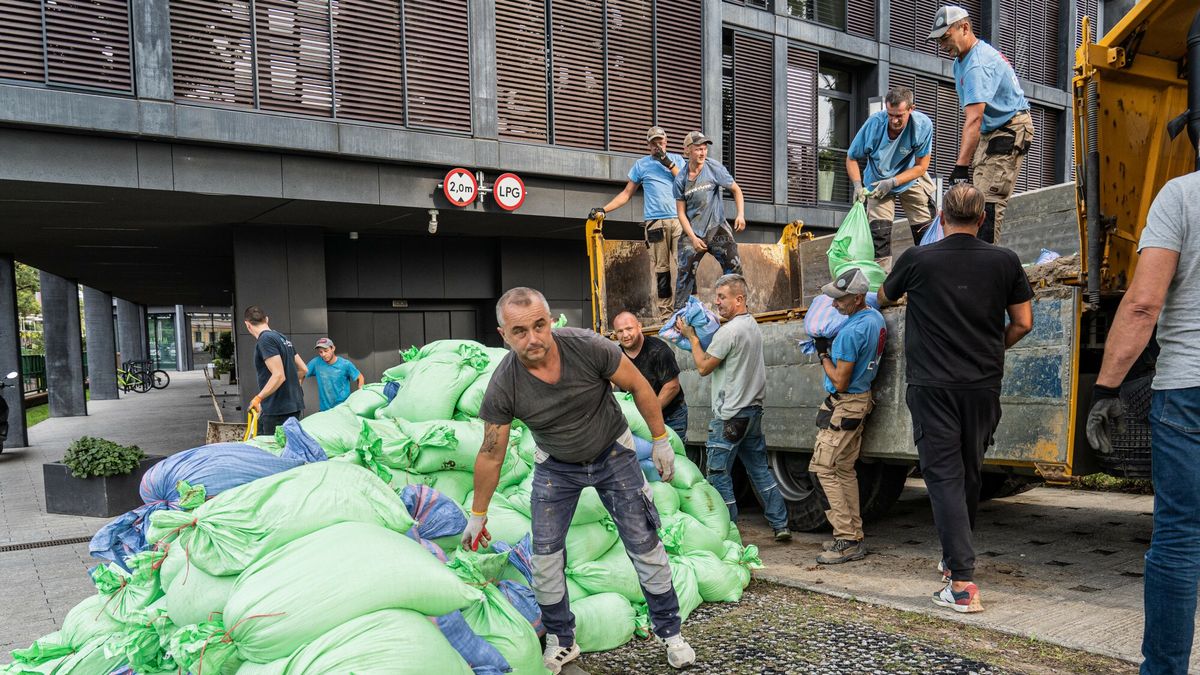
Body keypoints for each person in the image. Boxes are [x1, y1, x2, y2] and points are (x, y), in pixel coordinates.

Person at [463, 287, 696, 673]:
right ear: (503, 335)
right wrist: (478, 513)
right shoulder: (505, 383)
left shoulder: (587, 347)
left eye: (540, 325)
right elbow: (491, 452)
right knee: (546, 557)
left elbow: (639, 386)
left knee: (644, 543)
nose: (533, 338)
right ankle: (562, 640)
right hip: (557, 465)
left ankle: (671, 632)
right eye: (520, 331)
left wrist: (659, 441)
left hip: (613, 452)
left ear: (551, 321)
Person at [877, 183, 1032, 613]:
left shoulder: (918, 259)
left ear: (941, 219)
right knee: (968, 472)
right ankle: (952, 562)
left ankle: (962, 583)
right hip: (983, 386)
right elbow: (1023, 322)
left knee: (943, 476)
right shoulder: (1005, 261)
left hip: (933, 386)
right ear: (982, 220)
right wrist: (992, 348)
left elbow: (884, 296)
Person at [1085, 171, 1200, 675]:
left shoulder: (1182, 195)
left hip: (1188, 390)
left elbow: (1142, 304)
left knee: (1180, 539)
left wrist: (1107, 389)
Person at [675, 274, 791, 542]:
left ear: (739, 299)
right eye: (717, 297)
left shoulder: (728, 332)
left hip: (730, 417)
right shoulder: (751, 325)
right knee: (760, 469)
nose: (717, 303)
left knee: (717, 474)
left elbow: (704, 367)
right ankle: (780, 524)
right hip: (753, 412)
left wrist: (691, 337)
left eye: (722, 297)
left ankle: (728, 532)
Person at [930, 4, 1034, 244]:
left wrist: (960, 166)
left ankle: (986, 263)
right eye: (938, 41)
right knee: (974, 196)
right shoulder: (962, 60)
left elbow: (974, 119)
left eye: (945, 38)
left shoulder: (978, 64)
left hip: (1009, 127)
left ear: (964, 28)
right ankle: (971, 256)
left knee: (987, 200)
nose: (942, 45)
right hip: (992, 129)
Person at [810, 268, 887, 565]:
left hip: (845, 403)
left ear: (857, 298)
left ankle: (846, 540)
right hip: (860, 402)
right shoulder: (874, 319)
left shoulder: (850, 332)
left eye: (840, 300)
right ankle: (853, 533)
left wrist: (823, 356)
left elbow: (840, 381)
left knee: (825, 467)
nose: (833, 305)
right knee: (844, 469)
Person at [591, 127, 686, 322]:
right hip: (655, 222)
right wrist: (604, 209)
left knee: (685, 265)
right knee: (662, 270)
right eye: (653, 143)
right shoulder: (641, 165)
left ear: (666, 142)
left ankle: (688, 309)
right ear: (648, 145)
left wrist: (666, 161)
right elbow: (626, 194)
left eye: (660, 141)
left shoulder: (677, 160)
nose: (657, 145)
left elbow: (686, 183)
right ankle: (666, 316)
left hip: (679, 220)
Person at [846, 86, 937, 257]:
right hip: (877, 181)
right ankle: (881, 281)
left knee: (927, 235)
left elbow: (921, 166)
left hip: (910, 176)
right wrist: (858, 185)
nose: (894, 121)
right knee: (879, 238)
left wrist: (893, 182)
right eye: (890, 115)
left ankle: (928, 274)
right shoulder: (874, 124)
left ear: (911, 109)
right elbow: (851, 157)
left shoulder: (923, 125)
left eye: (899, 116)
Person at [672, 131, 745, 310]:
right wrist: (693, 238)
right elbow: (681, 213)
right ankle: (680, 315)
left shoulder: (714, 168)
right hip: (693, 232)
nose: (703, 153)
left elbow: (736, 189)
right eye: (698, 149)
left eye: (704, 149)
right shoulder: (680, 179)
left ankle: (739, 309)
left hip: (716, 228)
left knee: (734, 267)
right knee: (684, 272)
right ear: (687, 151)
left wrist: (740, 214)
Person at [612, 311, 688, 439]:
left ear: (639, 327)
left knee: (671, 456)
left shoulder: (658, 350)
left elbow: (672, 387)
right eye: (620, 331)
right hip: (640, 418)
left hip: (670, 417)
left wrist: (648, 413)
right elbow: (609, 382)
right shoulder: (616, 355)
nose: (625, 335)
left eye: (629, 329)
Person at [243, 306, 307, 436]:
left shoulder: (265, 340)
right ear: (266, 319)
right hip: (293, 405)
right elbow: (303, 369)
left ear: (247, 325)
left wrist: (258, 398)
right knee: (288, 447)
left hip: (277, 409)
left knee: (271, 450)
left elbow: (279, 375)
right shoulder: (282, 338)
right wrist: (292, 387)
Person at [302, 337, 364, 411]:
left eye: (326, 351)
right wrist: (298, 390)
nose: (323, 354)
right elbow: (302, 373)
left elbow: (360, 377)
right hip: (324, 410)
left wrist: (360, 393)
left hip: (343, 408)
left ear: (333, 348)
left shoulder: (345, 364)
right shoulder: (316, 362)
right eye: (320, 352)